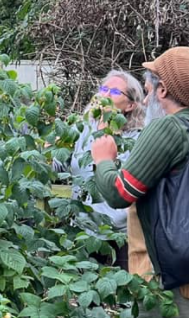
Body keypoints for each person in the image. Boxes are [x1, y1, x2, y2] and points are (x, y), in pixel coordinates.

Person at [91, 47, 189, 317]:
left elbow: (120, 193)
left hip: (168, 282)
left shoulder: (168, 128)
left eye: (148, 91)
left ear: (163, 92)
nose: (146, 101)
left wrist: (103, 159)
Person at [67, 70, 146, 271]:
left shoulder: (138, 140)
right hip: (84, 229)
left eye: (115, 91)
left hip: (121, 234)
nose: (106, 94)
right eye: (104, 88)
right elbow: (63, 165)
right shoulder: (84, 129)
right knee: (86, 297)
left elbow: (132, 182)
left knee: (124, 296)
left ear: (131, 105)